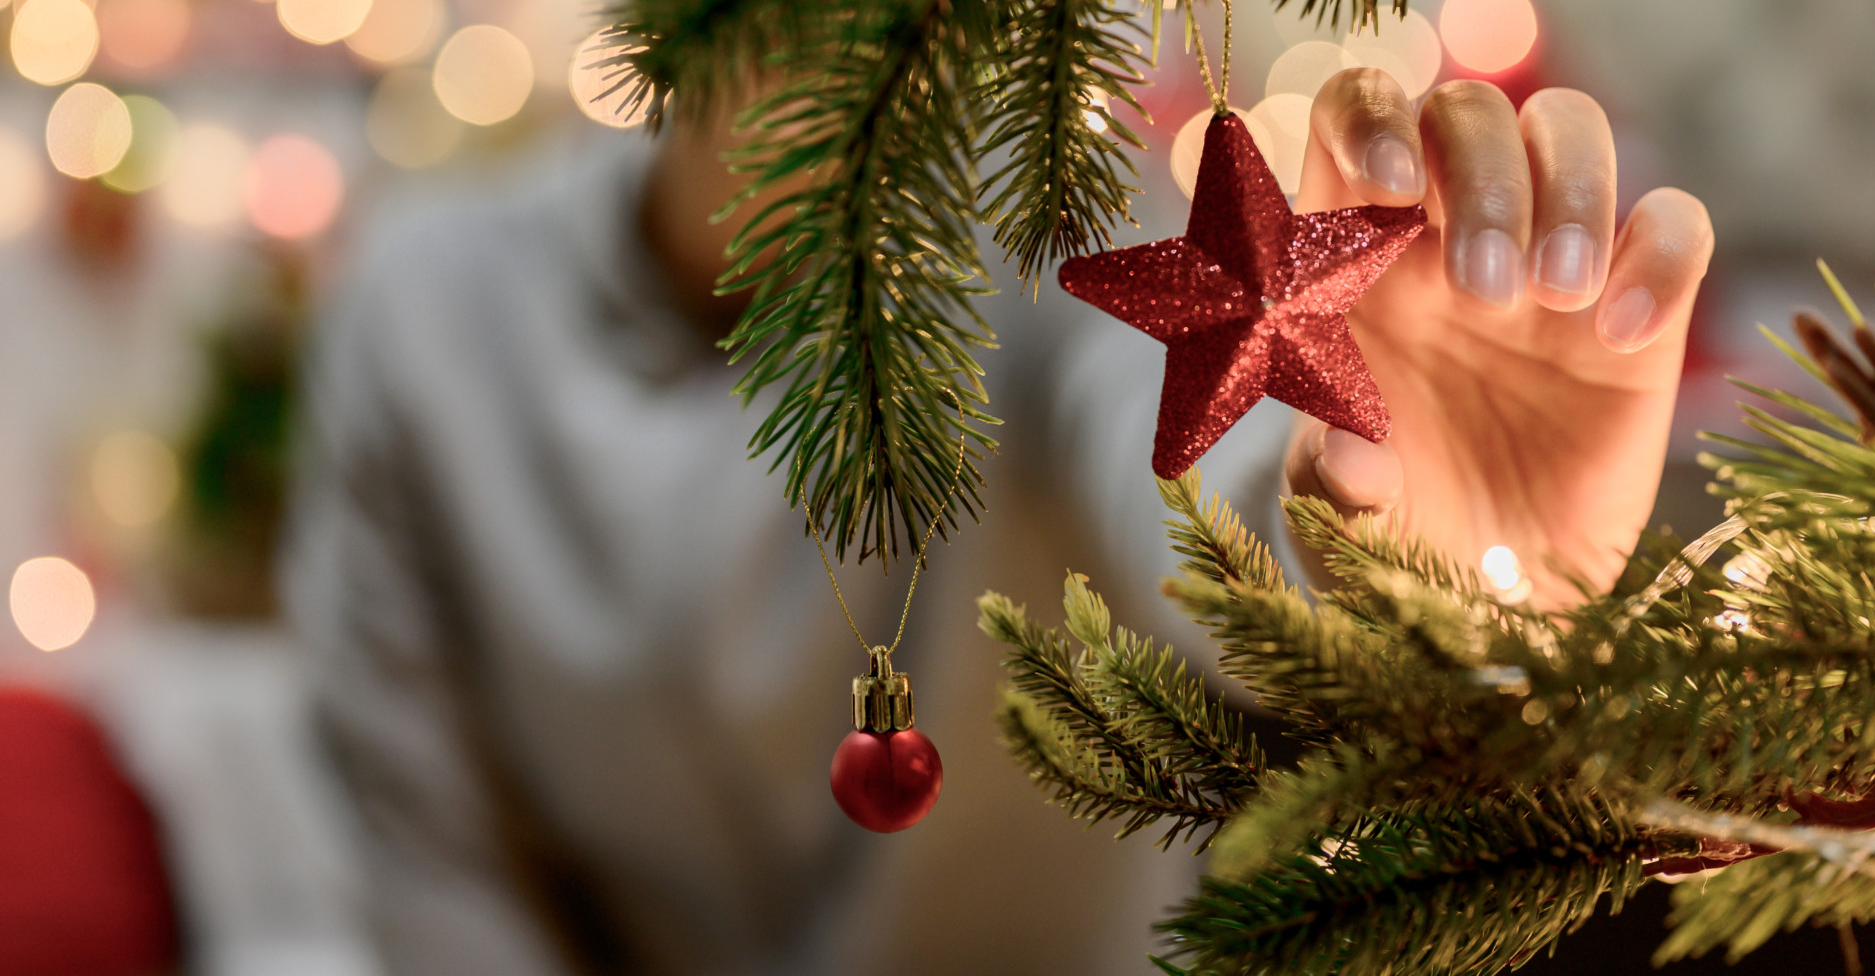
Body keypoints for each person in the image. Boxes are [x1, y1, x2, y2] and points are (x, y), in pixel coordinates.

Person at [281, 67, 1713, 974]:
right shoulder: (425, 313)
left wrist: (1405, 565)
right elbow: (429, 868)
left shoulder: (1068, 259)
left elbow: (1194, 495)